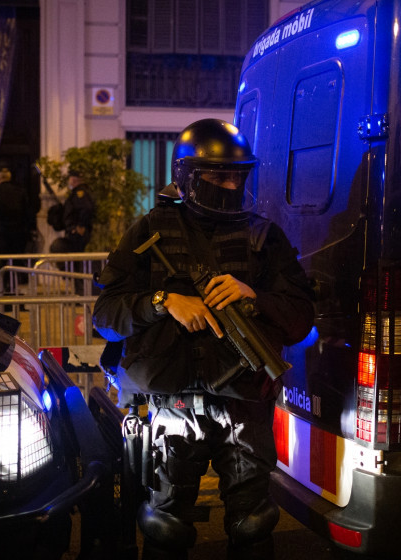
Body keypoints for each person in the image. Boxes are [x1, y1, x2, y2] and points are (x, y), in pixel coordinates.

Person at [93, 119, 315, 560]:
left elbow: (300, 318)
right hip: (172, 403)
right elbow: (106, 315)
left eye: (237, 175)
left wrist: (256, 297)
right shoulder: (147, 231)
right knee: (165, 525)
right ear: (187, 176)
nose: (229, 184)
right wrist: (163, 301)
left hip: (243, 404)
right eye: (216, 175)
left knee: (252, 524)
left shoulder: (263, 237)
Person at [0, 161, 38, 292]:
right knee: (16, 264)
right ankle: (14, 290)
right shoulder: (20, 192)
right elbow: (29, 214)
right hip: (19, 235)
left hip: (1, 234)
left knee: (3, 264)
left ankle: (3, 291)